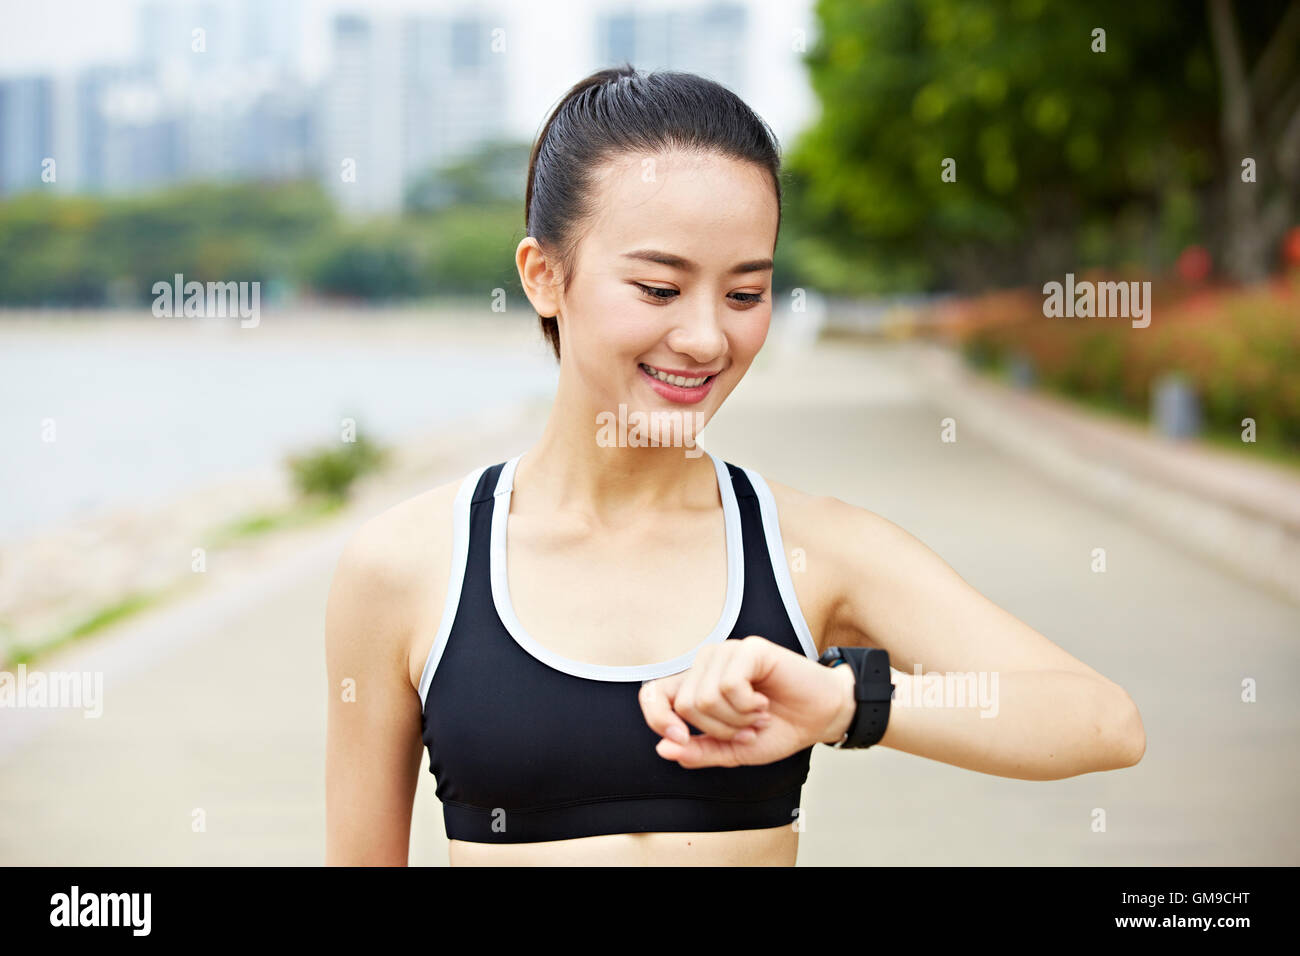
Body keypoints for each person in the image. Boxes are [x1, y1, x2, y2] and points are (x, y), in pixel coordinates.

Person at [324, 65, 1146, 867]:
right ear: (544, 277)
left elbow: (1100, 721)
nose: (708, 338)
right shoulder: (410, 566)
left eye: (746, 295)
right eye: (657, 288)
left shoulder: (814, 550)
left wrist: (844, 701)